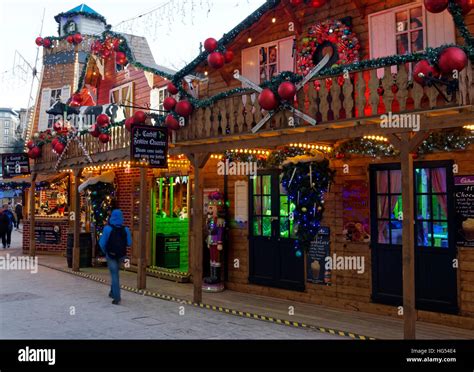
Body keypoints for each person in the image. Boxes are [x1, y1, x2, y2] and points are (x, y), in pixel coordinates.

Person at [99, 209, 132, 305]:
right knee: (116, 273)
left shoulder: (107, 229)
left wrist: (106, 251)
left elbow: (101, 243)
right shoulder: (126, 229)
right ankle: (112, 292)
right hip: (121, 255)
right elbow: (129, 243)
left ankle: (117, 297)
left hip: (111, 255)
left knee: (114, 274)